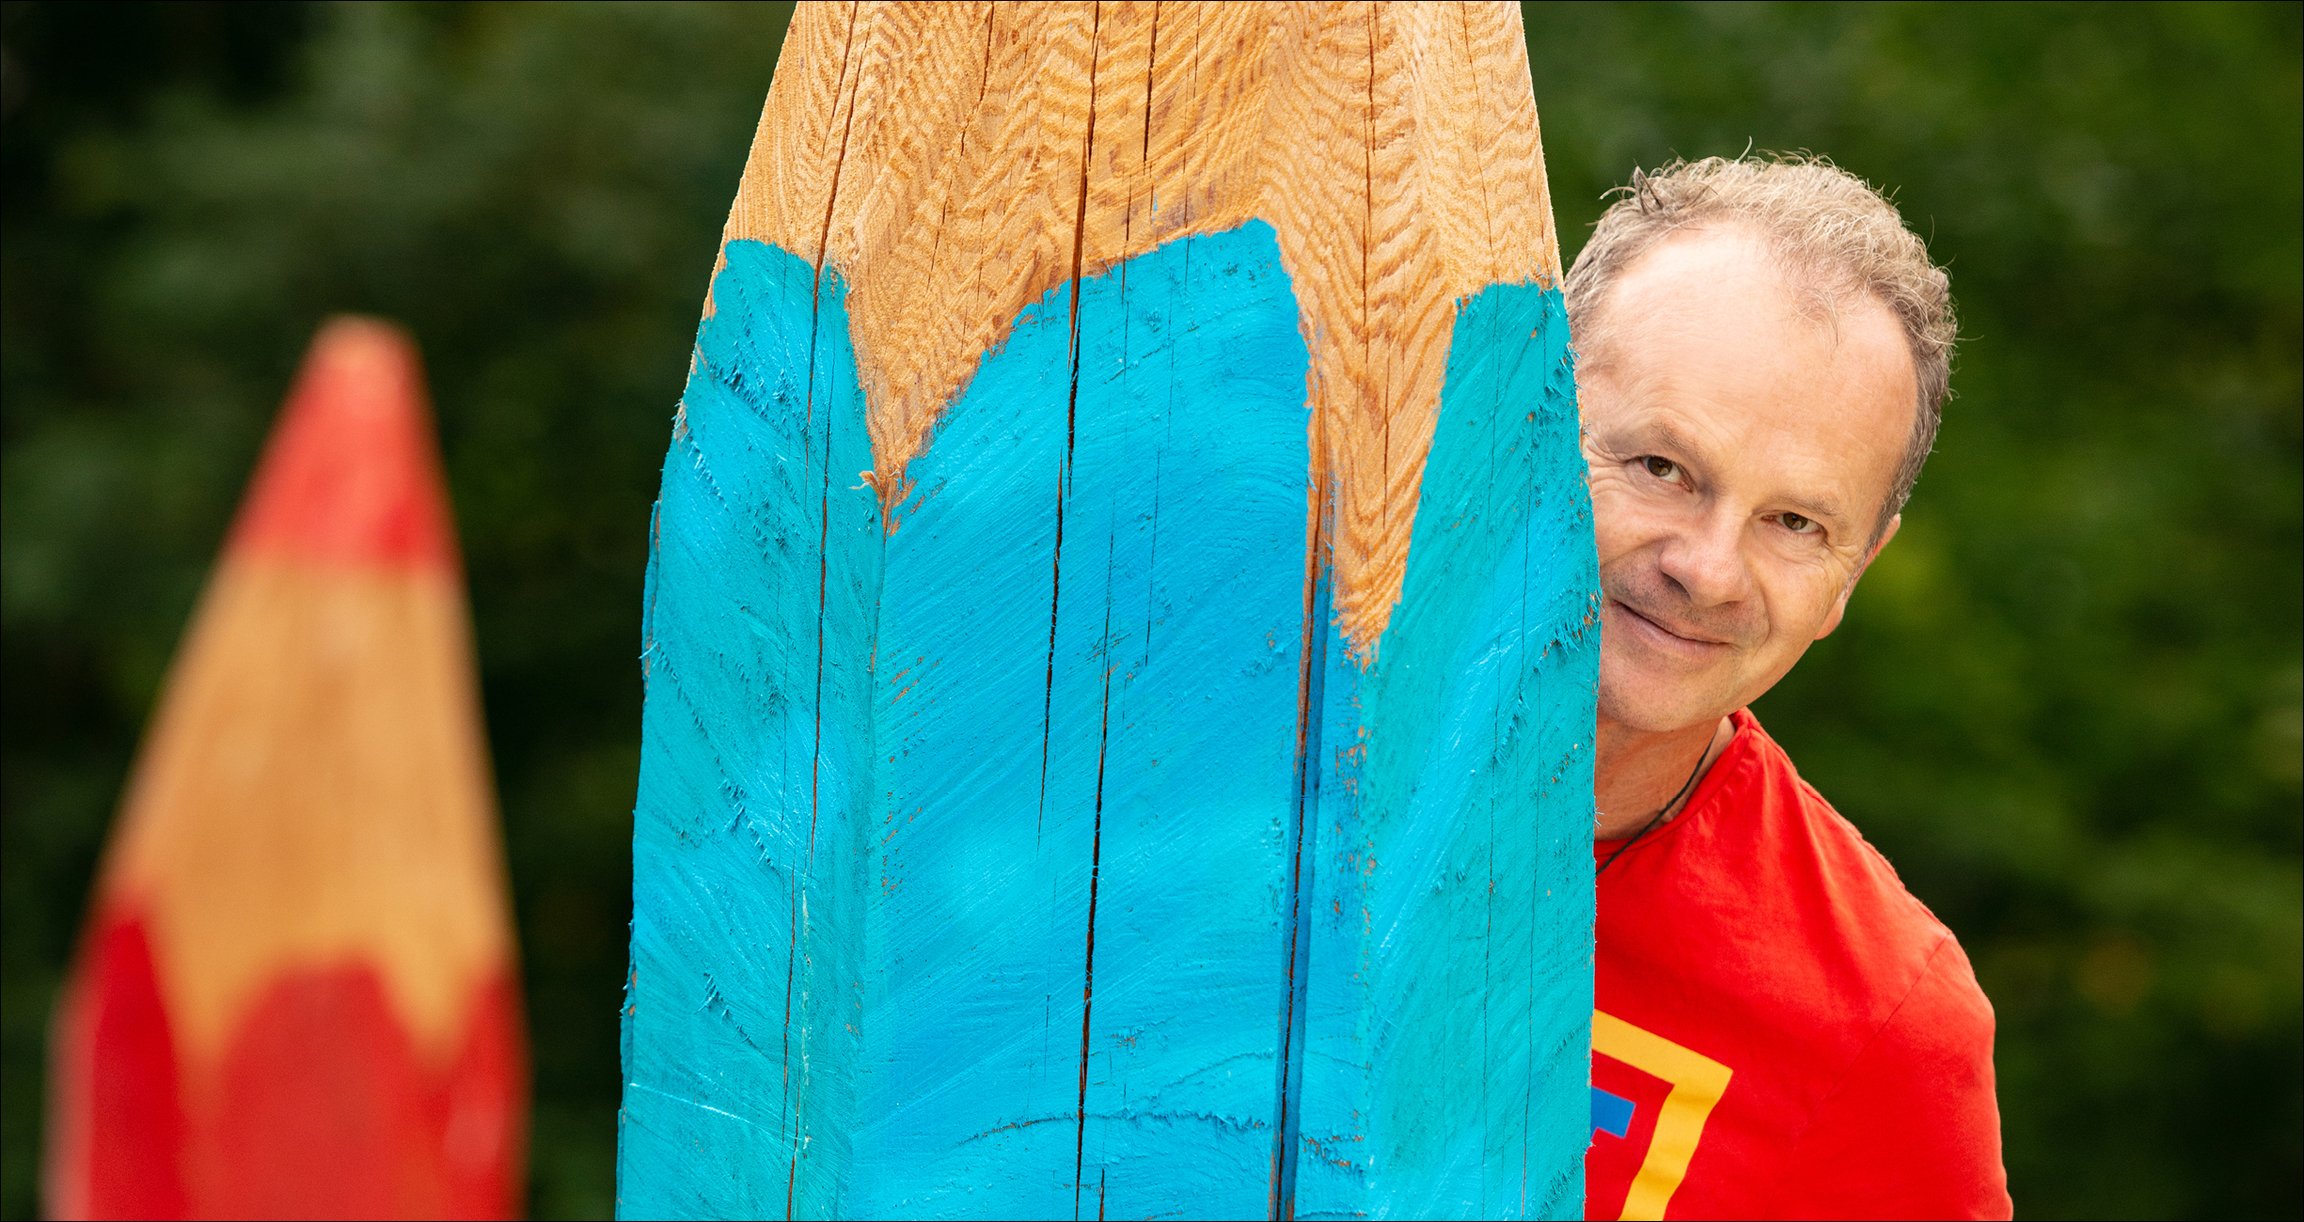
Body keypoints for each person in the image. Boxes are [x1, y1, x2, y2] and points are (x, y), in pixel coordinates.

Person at [1567, 155, 2013, 1220]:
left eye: (1795, 523)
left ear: (1853, 575)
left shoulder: (1884, 1022)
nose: (1707, 569)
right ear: (1524, 408)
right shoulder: (1165, 710)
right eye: (1661, 467)